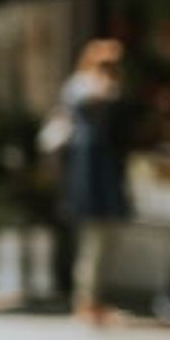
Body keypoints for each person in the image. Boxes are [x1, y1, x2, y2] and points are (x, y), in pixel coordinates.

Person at [57, 38, 133, 325]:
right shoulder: (82, 86)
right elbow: (93, 98)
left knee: (105, 242)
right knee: (93, 242)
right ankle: (87, 302)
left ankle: (97, 301)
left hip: (105, 172)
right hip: (89, 174)